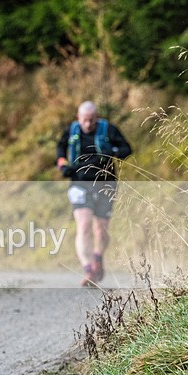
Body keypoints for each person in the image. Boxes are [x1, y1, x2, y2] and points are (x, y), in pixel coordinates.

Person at [56, 101, 132, 286]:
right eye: (84, 120)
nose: (88, 124)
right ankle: (89, 269)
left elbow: (127, 150)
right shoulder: (71, 130)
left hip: (106, 183)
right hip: (79, 183)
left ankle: (98, 257)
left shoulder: (109, 130)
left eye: (91, 120)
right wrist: (62, 164)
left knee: (101, 230)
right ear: (78, 118)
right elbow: (60, 149)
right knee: (84, 225)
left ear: (96, 118)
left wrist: (112, 151)